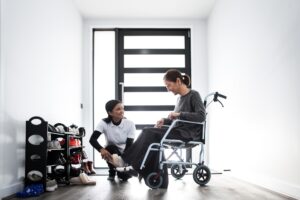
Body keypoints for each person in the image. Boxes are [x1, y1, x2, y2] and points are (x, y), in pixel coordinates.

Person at [109, 69, 206, 188]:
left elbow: (201, 116)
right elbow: (177, 120)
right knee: (151, 136)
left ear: (178, 81)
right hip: (178, 131)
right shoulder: (179, 99)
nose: (168, 89)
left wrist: (179, 114)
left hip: (187, 134)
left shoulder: (193, 95)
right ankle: (146, 171)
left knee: (148, 132)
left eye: (168, 85)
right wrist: (165, 120)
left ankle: (128, 162)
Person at [89, 100, 136, 181]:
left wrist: (124, 162)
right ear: (110, 113)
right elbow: (92, 139)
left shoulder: (130, 124)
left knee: (124, 178)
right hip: (112, 150)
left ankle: (119, 171)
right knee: (109, 148)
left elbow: (129, 145)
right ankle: (112, 171)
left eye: (122, 108)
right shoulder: (103, 123)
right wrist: (101, 150)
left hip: (126, 152)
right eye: (118, 109)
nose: (122, 111)